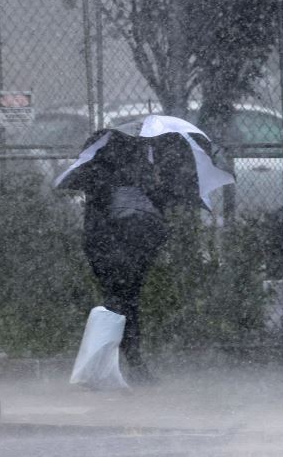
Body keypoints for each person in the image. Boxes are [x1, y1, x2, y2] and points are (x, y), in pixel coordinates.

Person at [70, 130, 198, 383]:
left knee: (115, 302)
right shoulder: (143, 161)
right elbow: (160, 203)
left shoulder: (97, 161)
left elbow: (94, 203)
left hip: (104, 242)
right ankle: (128, 361)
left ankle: (112, 362)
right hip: (135, 241)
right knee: (128, 302)